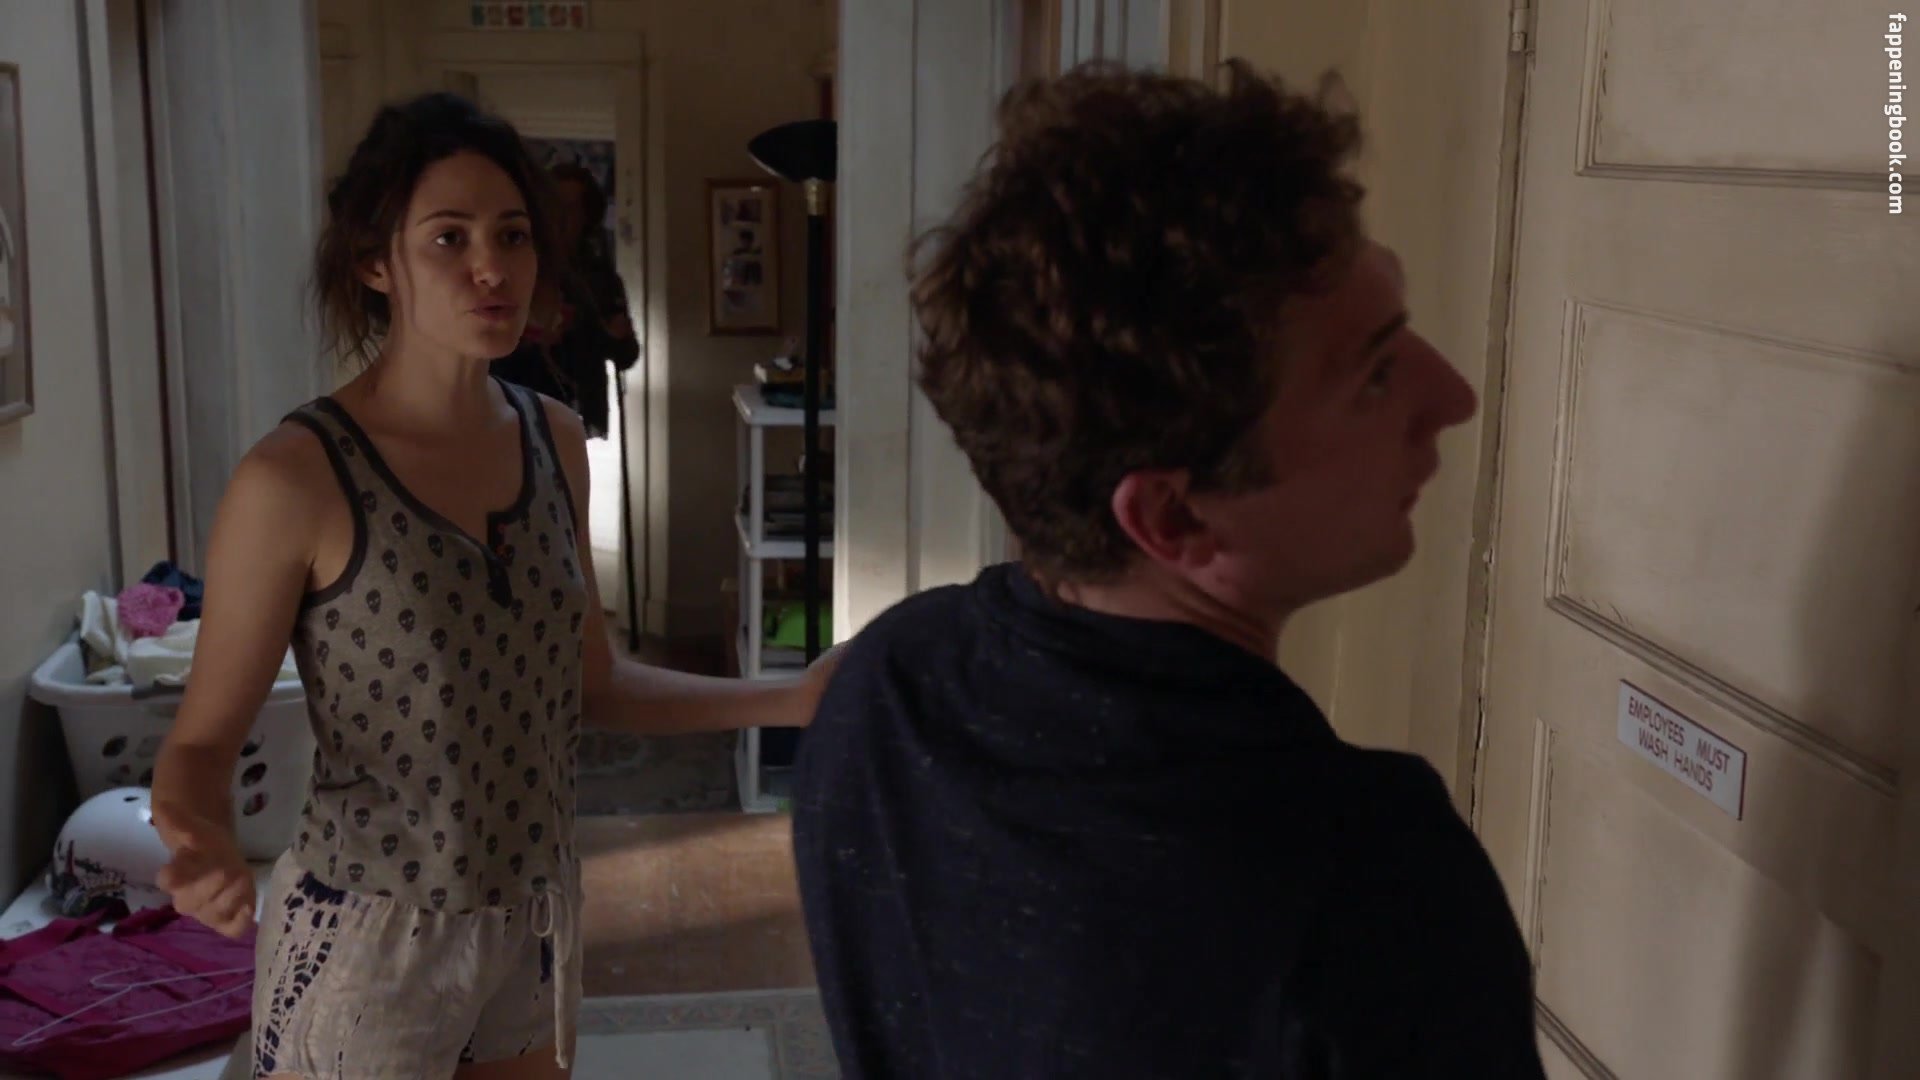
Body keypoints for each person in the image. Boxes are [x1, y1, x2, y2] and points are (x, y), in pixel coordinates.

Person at [790, 62, 1546, 1078]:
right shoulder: (1367, 881)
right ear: (1174, 517)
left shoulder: (886, 686)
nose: (1452, 397)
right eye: (1373, 374)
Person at [148, 93, 832, 1080]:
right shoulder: (295, 478)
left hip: (535, 916)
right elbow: (200, 744)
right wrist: (200, 837)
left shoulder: (555, 439)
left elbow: (593, 684)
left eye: (512, 235)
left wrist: (792, 697)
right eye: (449, 238)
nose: (492, 268)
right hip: (370, 939)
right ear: (374, 262)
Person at [493, 161, 637, 438]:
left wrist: (614, 337)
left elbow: (626, 356)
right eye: (553, 206)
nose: (559, 217)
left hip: (578, 414)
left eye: (571, 209)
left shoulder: (600, 279)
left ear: (586, 216)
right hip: (514, 409)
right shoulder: (514, 265)